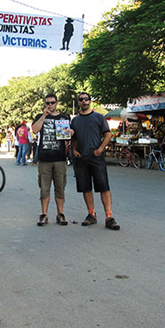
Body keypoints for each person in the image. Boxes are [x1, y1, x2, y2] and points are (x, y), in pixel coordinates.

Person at [71, 92, 120, 230]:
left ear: (90, 101)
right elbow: (73, 138)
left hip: (96, 158)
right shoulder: (75, 121)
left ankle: (109, 217)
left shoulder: (99, 117)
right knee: (86, 188)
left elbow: (108, 135)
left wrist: (100, 149)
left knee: (104, 187)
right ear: (79, 102)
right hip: (81, 159)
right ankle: (91, 214)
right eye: (81, 99)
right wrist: (74, 150)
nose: (84, 101)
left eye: (86, 99)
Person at [32, 93, 72, 226]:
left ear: (57, 103)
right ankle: (44, 214)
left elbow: (68, 137)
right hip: (44, 159)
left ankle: (60, 214)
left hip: (59, 158)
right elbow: (34, 130)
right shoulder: (39, 117)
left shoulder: (64, 117)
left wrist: (70, 133)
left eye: (52, 102)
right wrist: (44, 115)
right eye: (47, 103)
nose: (50, 105)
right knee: (44, 188)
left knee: (60, 188)